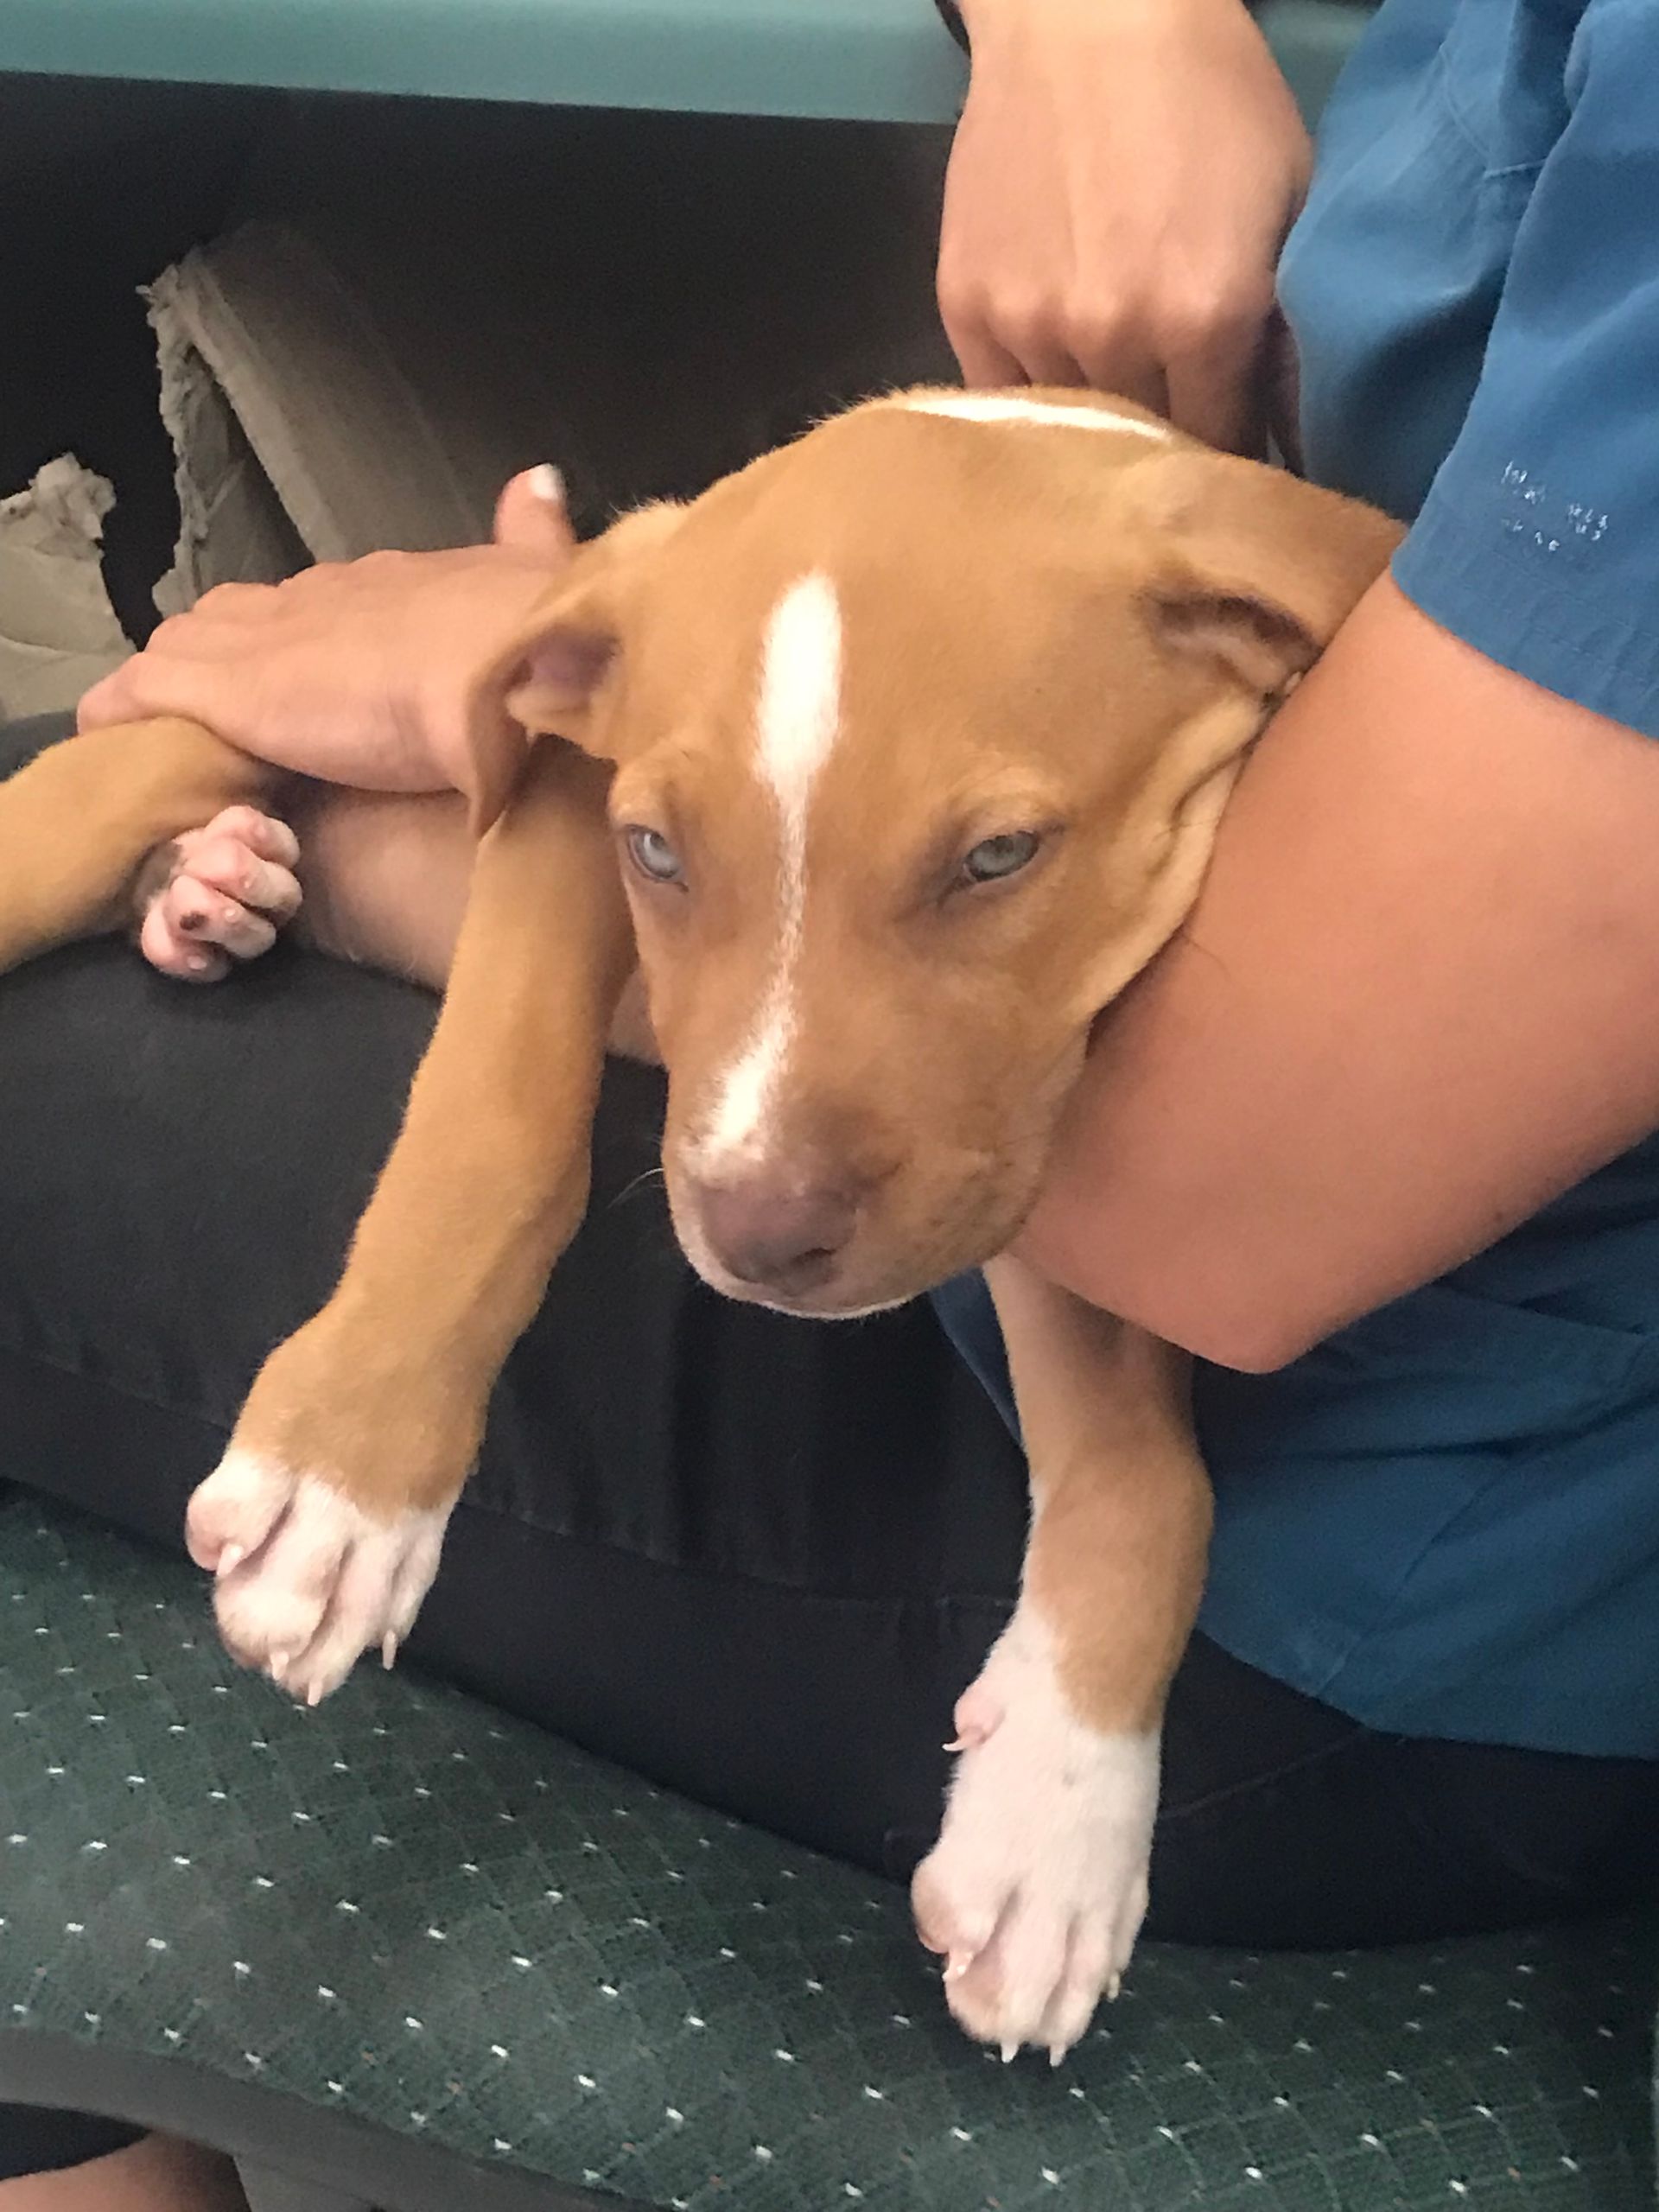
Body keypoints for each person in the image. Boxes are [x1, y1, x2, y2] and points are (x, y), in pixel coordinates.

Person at [7, 0, 1659, 2198]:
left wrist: (422, 734)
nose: (751, 1170)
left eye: (991, 863)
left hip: (1383, 1579)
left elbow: (1209, 1201)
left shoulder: (1280, 629)